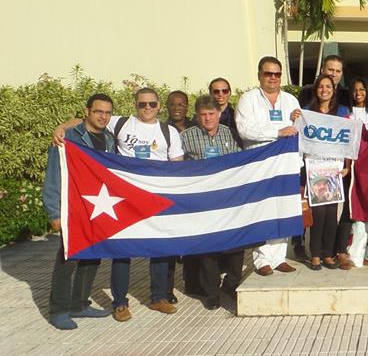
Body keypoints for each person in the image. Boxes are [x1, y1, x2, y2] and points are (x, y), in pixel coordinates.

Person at [54, 87, 185, 319]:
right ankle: (120, 303)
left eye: (152, 104)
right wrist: (61, 127)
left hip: (156, 197)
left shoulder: (169, 132)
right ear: (135, 105)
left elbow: (177, 166)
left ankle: (158, 297)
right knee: (122, 250)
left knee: (161, 248)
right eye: (142, 104)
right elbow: (87, 119)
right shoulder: (122, 123)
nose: (147, 108)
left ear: (159, 106)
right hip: (125, 198)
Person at [42, 93, 116, 330]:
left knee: (92, 258)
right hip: (73, 208)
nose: (103, 116)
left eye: (107, 112)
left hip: (99, 207)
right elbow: (54, 175)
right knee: (68, 259)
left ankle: (79, 304)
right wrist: (54, 212)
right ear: (87, 111)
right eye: (98, 111)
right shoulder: (68, 138)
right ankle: (59, 310)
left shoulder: (109, 139)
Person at [235, 55, 301, 276]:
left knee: (283, 208)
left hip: (285, 164)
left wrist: (296, 121)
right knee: (261, 210)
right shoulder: (248, 99)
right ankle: (262, 259)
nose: (273, 77)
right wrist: (277, 132)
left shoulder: (291, 100)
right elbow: (245, 130)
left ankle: (279, 257)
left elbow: (300, 128)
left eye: (277, 74)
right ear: (259, 75)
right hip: (259, 165)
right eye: (268, 73)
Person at [179, 95, 244, 310]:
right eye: (203, 114)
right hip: (202, 201)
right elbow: (178, 167)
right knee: (207, 249)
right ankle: (212, 292)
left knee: (236, 245)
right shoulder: (186, 137)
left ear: (219, 114)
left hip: (227, 200)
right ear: (197, 116)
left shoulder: (230, 134)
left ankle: (232, 283)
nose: (207, 118)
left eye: (211, 114)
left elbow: (240, 164)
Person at [296, 75, 352, 271]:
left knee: (331, 216)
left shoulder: (343, 112)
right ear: (316, 89)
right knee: (318, 215)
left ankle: (329, 254)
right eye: (321, 86)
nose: (324, 90)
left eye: (328, 86)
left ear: (334, 89)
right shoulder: (307, 112)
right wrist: (294, 118)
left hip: (334, 169)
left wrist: (347, 166)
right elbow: (299, 137)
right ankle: (316, 255)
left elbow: (348, 141)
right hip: (315, 169)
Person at [345, 77, 368, 267]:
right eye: (355, 90)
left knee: (365, 210)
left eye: (362, 90)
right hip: (352, 165)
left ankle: (361, 253)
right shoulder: (347, 112)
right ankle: (350, 252)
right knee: (352, 210)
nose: (358, 94)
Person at [208, 77, 239, 142]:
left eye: (225, 91)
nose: (220, 94)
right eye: (216, 91)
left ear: (229, 93)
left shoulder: (236, 116)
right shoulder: (204, 116)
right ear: (210, 94)